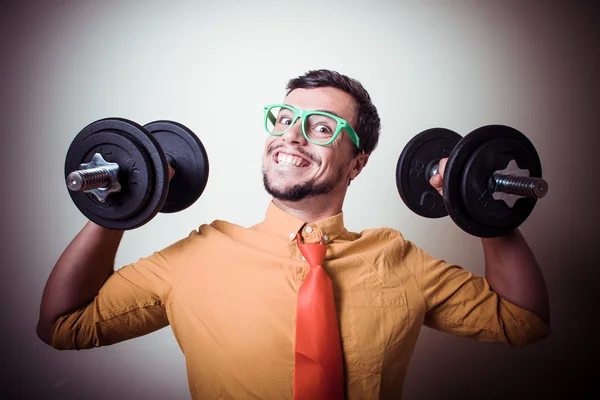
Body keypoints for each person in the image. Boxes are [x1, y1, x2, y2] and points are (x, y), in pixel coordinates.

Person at [36, 69, 550, 399]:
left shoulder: (398, 258)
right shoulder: (197, 255)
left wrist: (477, 202)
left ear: (357, 163)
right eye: (284, 119)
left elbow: (522, 321)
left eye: (322, 127)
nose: (291, 135)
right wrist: (120, 206)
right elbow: (63, 324)